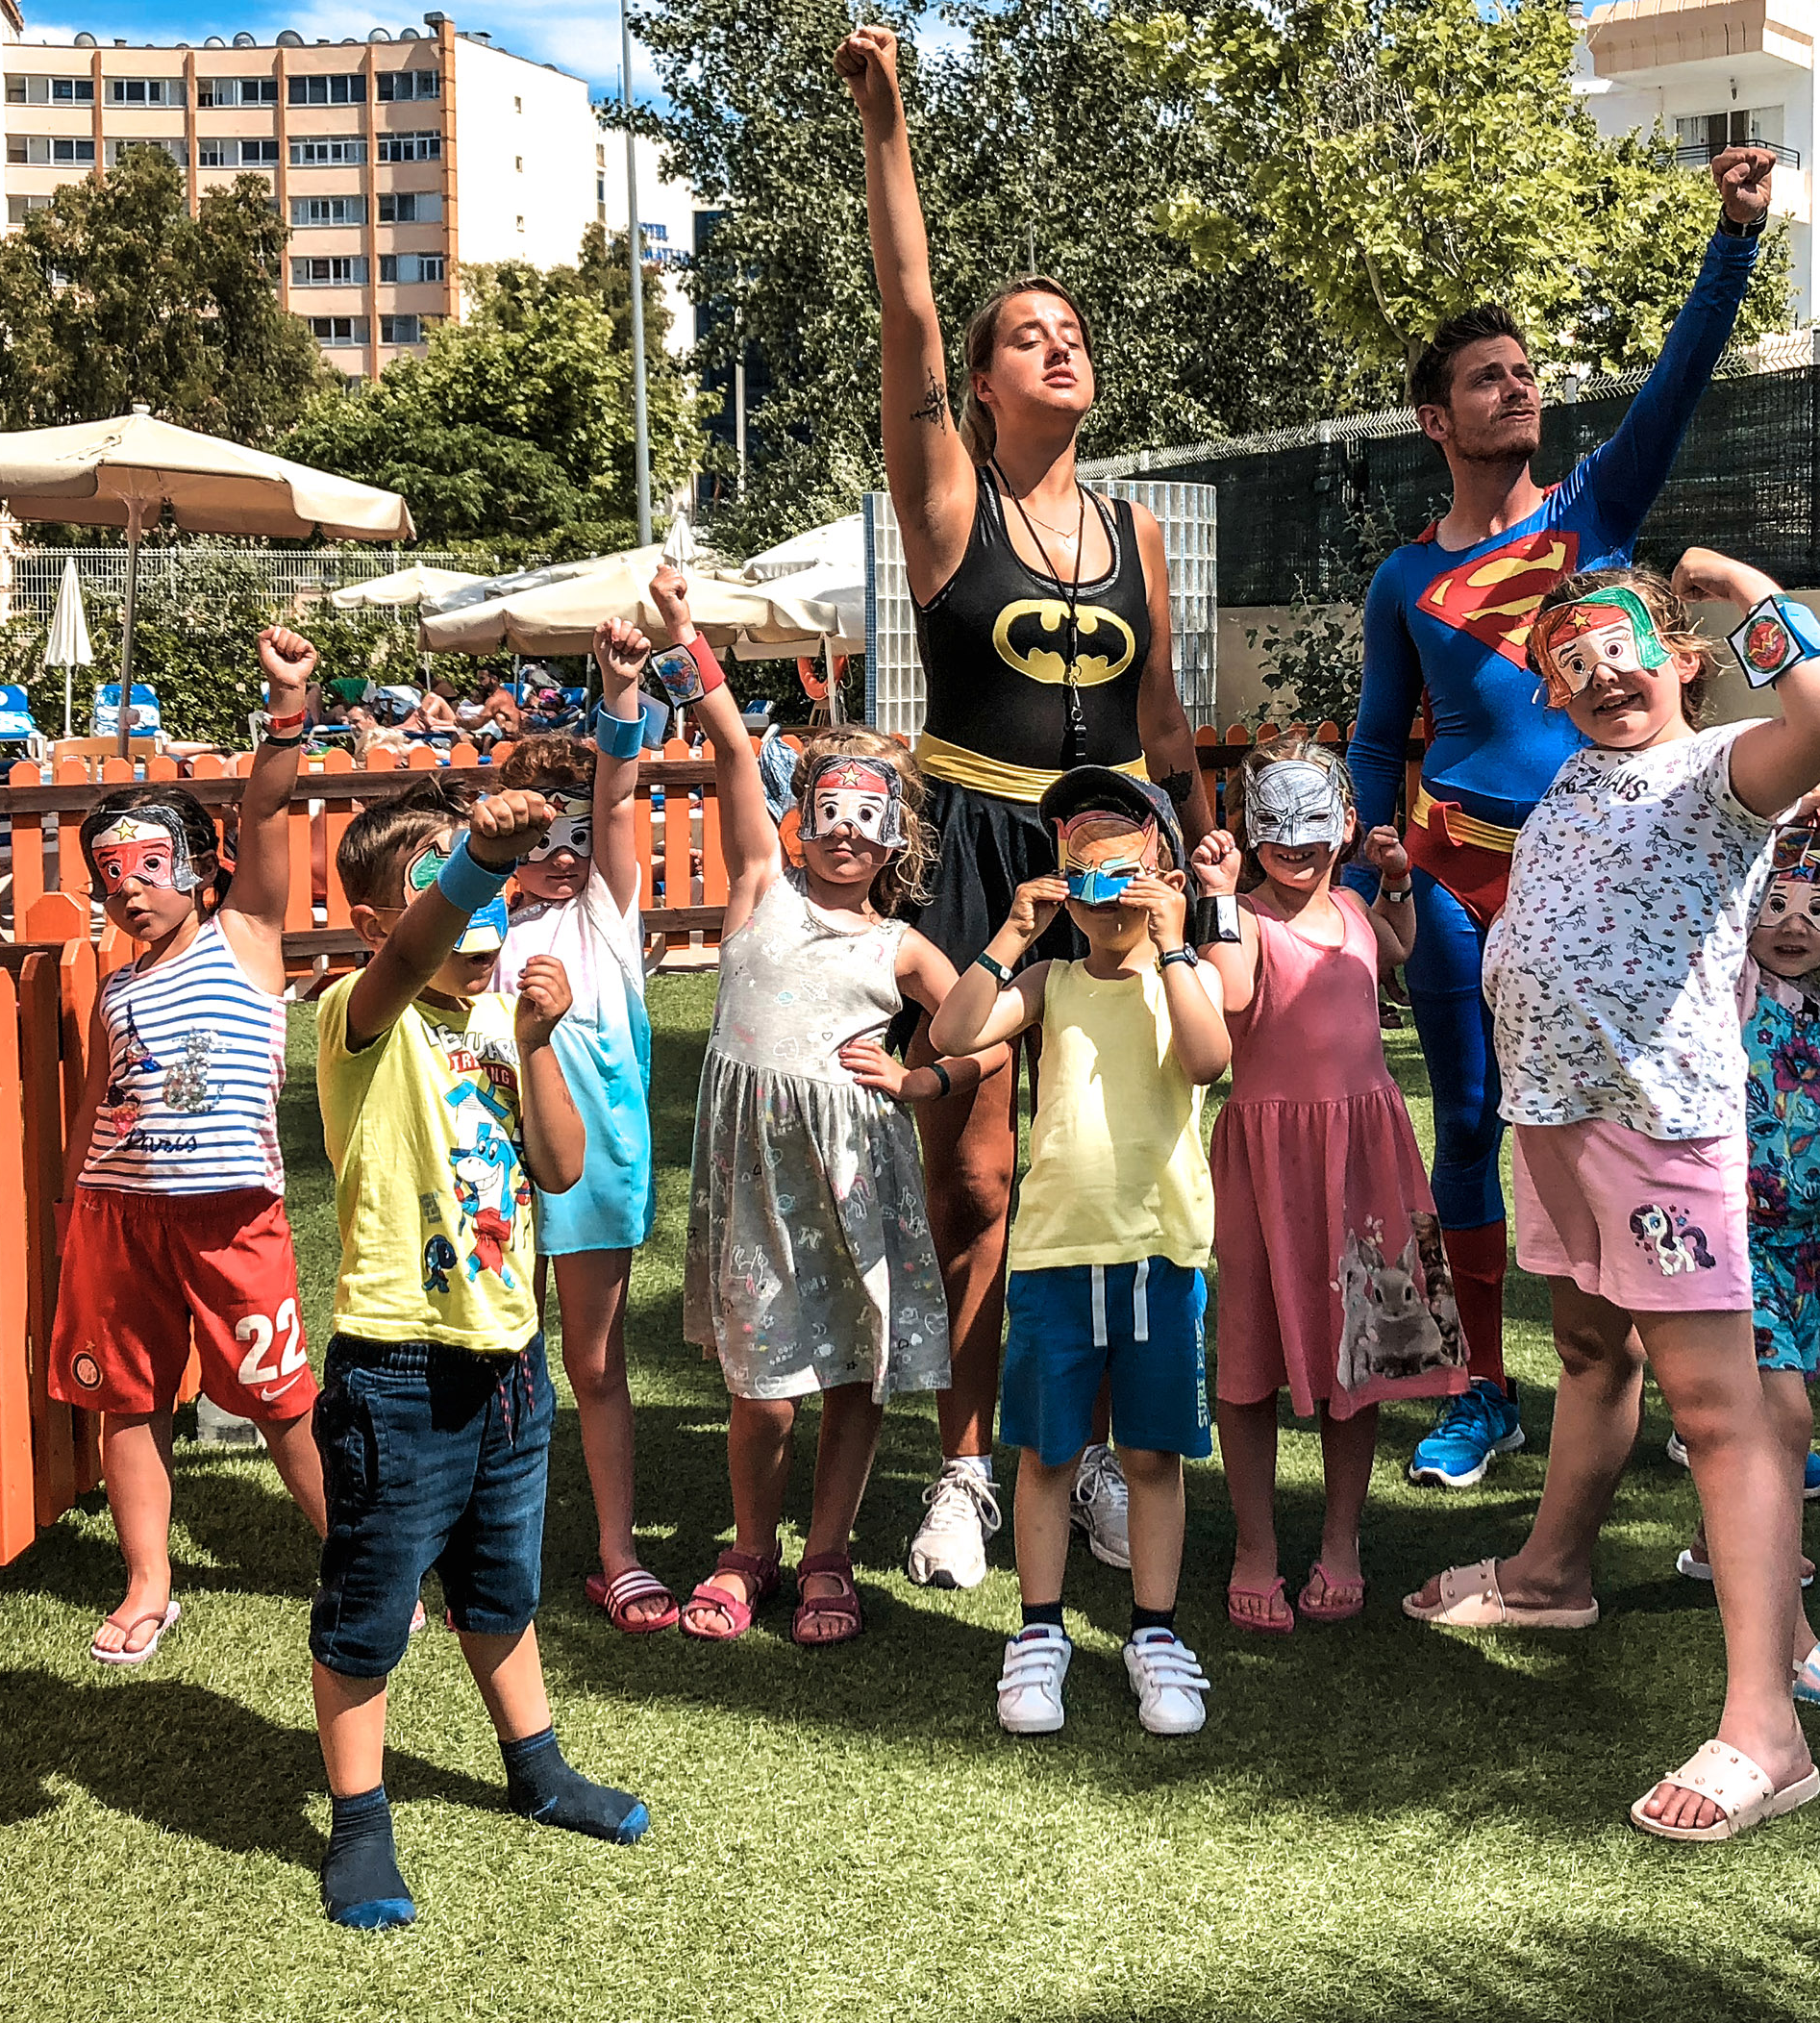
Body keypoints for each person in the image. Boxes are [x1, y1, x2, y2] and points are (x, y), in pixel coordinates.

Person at [838, 22, 1217, 1591]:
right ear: (982, 382)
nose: (1057, 346)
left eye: (1072, 331)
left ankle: (1104, 1458)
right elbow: (908, 313)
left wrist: (1206, 881)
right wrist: (886, 125)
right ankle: (967, 1470)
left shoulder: (1132, 532)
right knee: (980, 1175)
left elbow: (1168, 729)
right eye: (1028, 335)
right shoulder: (948, 507)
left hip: (1116, 864)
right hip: (971, 856)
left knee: (1107, 1170)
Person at [1405, 554, 1820, 1841]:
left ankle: (1765, 1731)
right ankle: (1552, 1576)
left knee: (1718, 1417)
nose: (1599, 671)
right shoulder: (1575, 774)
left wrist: (1747, 586)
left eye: (1619, 646)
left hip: (1659, 1141)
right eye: (1570, 659)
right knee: (1589, 1349)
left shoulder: (1718, 768)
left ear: (1673, 655)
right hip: (1554, 1126)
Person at [1346, 147, 1778, 1493]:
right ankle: (1486, 1391)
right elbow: (1375, 732)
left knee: (1668, 1116)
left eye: (1524, 371)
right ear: (1435, 421)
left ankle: (1702, 1383)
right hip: (1460, 885)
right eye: (1486, 377)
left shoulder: (1594, 518)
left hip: (1621, 879)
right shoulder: (1404, 577)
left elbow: (1679, 380)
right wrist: (1370, 843)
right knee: (1473, 1127)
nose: (1517, 386)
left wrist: (1735, 239)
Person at [312, 776, 644, 1930]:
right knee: (368, 1609)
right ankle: (359, 1821)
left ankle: (537, 1768)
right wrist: (480, 864)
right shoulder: (361, 1013)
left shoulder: (500, 1023)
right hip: (395, 1371)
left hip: (509, 1362)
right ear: (379, 928)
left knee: (500, 1587)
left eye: (498, 905)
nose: (485, 932)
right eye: (464, 904)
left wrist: (539, 1043)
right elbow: (414, 951)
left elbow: (557, 1168)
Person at [668, 570, 1009, 1646]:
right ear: (801, 821)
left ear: (894, 839)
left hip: (857, 1172)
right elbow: (729, 746)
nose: (846, 836)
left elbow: (986, 1027)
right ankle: (747, 1547)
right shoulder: (760, 886)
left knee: (852, 1368)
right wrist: (688, 641)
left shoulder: (898, 944)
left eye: (868, 821)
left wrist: (925, 1081)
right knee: (765, 1387)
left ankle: (826, 1553)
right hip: (755, 1176)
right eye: (830, 815)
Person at [45, 629, 324, 1664]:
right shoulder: (116, 987)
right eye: (110, 872)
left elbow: (270, 811)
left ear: (201, 871)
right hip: (119, 1217)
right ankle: (149, 1581)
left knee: (284, 1399)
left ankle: (352, 1557)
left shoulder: (246, 937)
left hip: (231, 1217)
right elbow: (94, 1099)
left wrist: (284, 710)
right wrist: (73, 1201)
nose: (130, 889)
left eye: (152, 867)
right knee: (129, 1398)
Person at [932, 769, 1231, 1736]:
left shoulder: (1182, 976)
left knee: (1151, 1454)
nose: (1105, 894)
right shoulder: (1047, 980)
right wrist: (1018, 926)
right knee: (1048, 1452)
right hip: (1056, 1256)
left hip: (1160, 1250)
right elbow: (954, 1029)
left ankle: (1153, 1632)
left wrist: (1175, 937)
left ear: (1160, 869)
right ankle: (1039, 1631)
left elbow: (1206, 1058)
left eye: (1124, 866)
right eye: (1083, 870)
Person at [1188, 741, 1462, 1635]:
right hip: (1268, 1159)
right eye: (1277, 829)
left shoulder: (1349, 902)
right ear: (1248, 830)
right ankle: (1255, 1544)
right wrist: (1220, 900)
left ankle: (1341, 1540)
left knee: (1365, 1350)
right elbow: (1229, 1004)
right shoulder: (1243, 923)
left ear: (1344, 826)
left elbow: (1397, 950)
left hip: (1366, 1151)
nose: (1295, 847)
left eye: (1316, 828)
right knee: (1249, 1352)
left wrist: (1394, 883)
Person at [1673, 811, 1820, 1713]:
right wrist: (1781, 816)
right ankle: (1789, 1642)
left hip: (1803, 1249)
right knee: (1783, 1423)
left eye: (1817, 906)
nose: (1795, 922)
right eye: (1775, 900)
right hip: (1736, 1245)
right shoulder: (1738, 989)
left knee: (1773, 1418)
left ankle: (1712, 1542)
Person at [492, 627, 662, 1634]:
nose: (562, 857)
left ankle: (616, 1548)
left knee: (594, 1366)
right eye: (538, 839)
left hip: (596, 1169)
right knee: (503, 1358)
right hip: (494, 1171)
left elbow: (619, 792)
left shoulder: (606, 912)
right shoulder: (482, 931)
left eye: (576, 838)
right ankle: (494, 1543)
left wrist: (620, 688)